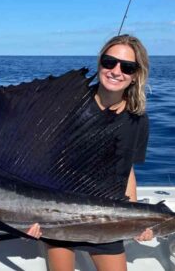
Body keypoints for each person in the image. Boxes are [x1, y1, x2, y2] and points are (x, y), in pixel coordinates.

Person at [27, 34, 153, 271]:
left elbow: (126, 171)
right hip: (59, 210)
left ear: (136, 75)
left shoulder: (137, 119)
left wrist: (135, 217)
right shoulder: (70, 103)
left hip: (106, 213)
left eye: (127, 67)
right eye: (109, 62)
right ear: (99, 63)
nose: (116, 71)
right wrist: (30, 213)